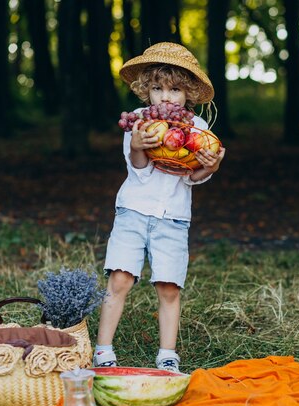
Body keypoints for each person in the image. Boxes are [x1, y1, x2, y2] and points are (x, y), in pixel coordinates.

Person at [94, 42, 225, 373]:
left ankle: (167, 356)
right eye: (157, 88)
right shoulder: (140, 122)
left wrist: (210, 166)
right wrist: (138, 145)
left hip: (174, 219)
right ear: (145, 91)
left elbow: (193, 176)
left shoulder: (198, 129)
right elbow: (137, 168)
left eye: (176, 89)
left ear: (189, 92)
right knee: (119, 280)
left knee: (169, 286)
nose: (166, 98)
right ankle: (103, 349)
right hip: (133, 212)